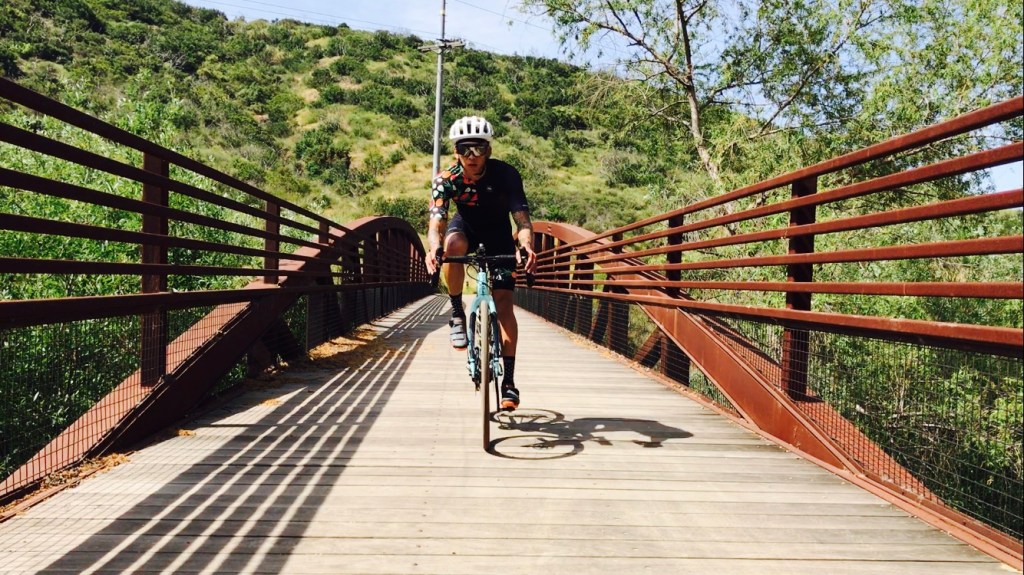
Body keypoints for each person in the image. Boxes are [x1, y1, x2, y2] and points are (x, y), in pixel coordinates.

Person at [425, 115, 537, 410]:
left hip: (499, 236)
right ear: (456, 152)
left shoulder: (506, 175)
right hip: (466, 228)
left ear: (489, 150)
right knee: (452, 246)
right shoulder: (446, 180)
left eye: (479, 148)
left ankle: (509, 382)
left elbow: (523, 222)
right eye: (465, 149)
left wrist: (526, 246)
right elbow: (436, 223)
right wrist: (434, 248)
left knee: (504, 305)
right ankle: (456, 312)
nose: (472, 156)